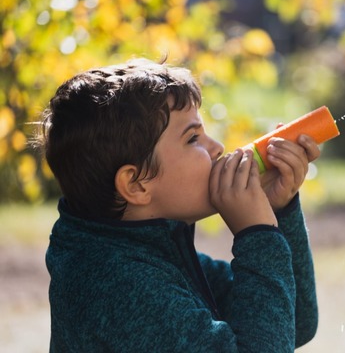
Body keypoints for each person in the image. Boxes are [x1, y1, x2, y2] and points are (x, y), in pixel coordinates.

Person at [37, 58, 319, 352]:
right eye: (193, 138)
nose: (217, 148)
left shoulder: (152, 256)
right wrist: (257, 234)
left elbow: (295, 321)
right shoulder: (118, 287)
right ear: (135, 184)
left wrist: (278, 209)